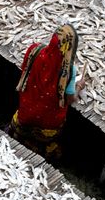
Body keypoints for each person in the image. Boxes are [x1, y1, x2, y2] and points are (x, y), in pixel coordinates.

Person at [7, 24, 85, 159]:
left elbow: (25, 71)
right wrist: (79, 87)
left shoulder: (34, 50)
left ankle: (18, 136)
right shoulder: (69, 71)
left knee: (23, 123)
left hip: (26, 110)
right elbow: (70, 100)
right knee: (49, 133)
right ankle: (43, 150)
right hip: (49, 121)